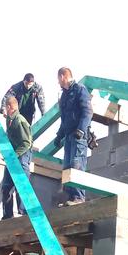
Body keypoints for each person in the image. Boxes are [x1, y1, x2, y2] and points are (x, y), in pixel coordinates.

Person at [54, 67, 93, 206]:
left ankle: (78, 197)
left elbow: (88, 111)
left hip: (78, 136)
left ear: (63, 76)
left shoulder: (79, 89)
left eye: (58, 78)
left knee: (77, 165)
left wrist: (81, 130)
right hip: (69, 136)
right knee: (67, 167)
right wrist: (59, 136)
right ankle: (70, 198)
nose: (58, 82)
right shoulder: (65, 95)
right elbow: (64, 119)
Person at [1, 96, 33, 219]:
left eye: (5, 108)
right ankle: (7, 215)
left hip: (22, 156)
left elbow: (26, 143)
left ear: (9, 107)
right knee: (6, 187)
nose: (4, 110)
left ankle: (24, 214)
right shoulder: (10, 120)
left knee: (22, 186)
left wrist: (13, 156)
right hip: (13, 156)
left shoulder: (19, 120)